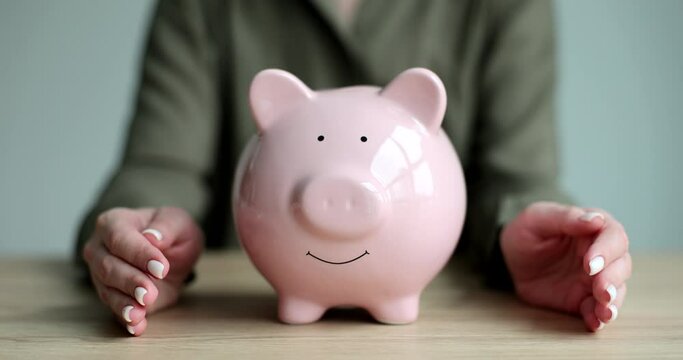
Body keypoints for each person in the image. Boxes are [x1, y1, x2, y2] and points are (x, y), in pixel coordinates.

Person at [76, 0, 631, 336]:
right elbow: (159, 165)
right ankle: (304, 300)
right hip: (243, 330)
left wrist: (530, 232)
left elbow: (518, 179)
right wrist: (141, 236)